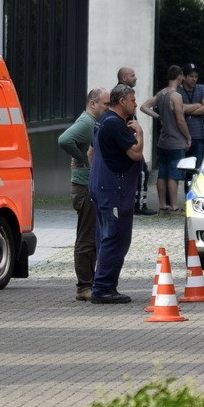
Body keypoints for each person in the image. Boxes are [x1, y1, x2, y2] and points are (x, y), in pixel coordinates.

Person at [88, 83, 145, 304]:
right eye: (132, 100)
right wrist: (139, 133)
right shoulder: (116, 125)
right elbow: (136, 153)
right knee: (115, 238)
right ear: (122, 101)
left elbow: (91, 153)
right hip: (114, 190)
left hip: (101, 186)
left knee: (104, 236)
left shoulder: (101, 121)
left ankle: (102, 285)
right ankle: (103, 288)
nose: (136, 104)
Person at [58, 87, 109, 301]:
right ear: (93, 103)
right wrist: (81, 158)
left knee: (92, 237)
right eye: (105, 104)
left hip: (89, 186)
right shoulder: (86, 122)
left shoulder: (93, 122)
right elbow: (64, 139)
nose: (107, 108)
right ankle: (83, 286)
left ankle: (90, 281)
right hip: (84, 187)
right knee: (86, 238)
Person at [141, 65, 191, 212]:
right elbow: (180, 120)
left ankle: (162, 204)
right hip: (176, 141)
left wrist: (159, 117)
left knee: (162, 173)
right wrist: (188, 137)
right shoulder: (176, 96)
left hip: (163, 141)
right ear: (180, 76)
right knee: (173, 175)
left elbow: (144, 106)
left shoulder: (161, 93)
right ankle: (174, 206)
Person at [116, 66, 158, 216]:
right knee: (142, 172)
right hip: (130, 141)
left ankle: (131, 202)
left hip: (128, 140)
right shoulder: (123, 94)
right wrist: (133, 135)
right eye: (132, 75)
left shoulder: (120, 93)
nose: (136, 78)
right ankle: (139, 204)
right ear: (124, 78)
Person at [178, 63, 204, 162]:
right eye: (191, 76)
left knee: (196, 169)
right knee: (180, 169)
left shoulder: (201, 88)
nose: (194, 79)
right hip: (181, 137)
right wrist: (198, 106)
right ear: (184, 77)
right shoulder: (178, 91)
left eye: (196, 76)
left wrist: (185, 110)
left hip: (198, 136)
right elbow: (178, 109)